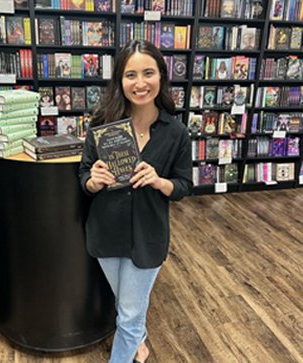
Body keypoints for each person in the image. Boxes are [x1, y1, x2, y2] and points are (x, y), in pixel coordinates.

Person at [78, 40, 193, 363]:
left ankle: (129, 346)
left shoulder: (176, 133)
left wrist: (159, 181)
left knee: (129, 314)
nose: (140, 83)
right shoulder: (102, 124)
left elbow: (184, 186)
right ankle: (139, 340)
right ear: (120, 80)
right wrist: (93, 179)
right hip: (106, 231)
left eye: (148, 73)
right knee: (125, 303)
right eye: (130, 75)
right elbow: (84, 176)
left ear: (161, 76)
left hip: (148, 235)